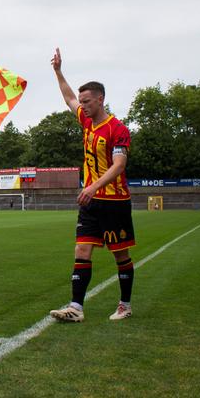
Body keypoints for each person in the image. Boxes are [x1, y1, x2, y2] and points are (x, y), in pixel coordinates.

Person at [48, 47, 135, 322]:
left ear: (101, 99)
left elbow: (119, 166)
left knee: (120, 254)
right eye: (82, 101)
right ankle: (76, 307)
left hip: (114, 201)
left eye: (87, 101)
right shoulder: (86, 122)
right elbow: (68, 97)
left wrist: (93, 186)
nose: (82, 105)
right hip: (91, 200)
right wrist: (58, 71)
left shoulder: (118, 130)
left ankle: (125, 304)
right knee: (81, 249)